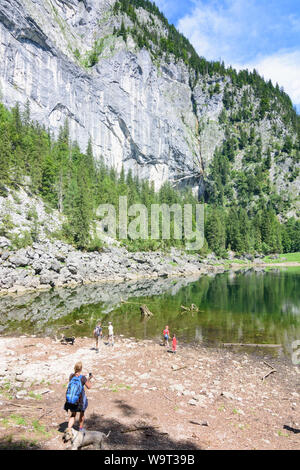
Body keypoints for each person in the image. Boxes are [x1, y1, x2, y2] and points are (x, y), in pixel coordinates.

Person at [64, 361, 92, 432]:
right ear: (81, 369)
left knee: (73, 414)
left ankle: (69, 430)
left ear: (75, 368)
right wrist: (89, 379)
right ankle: (81, 428)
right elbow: (89, 387)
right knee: (82, 413)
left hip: (71, 400)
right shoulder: (83, 378)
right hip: (79, 400)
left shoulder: (71, 376)